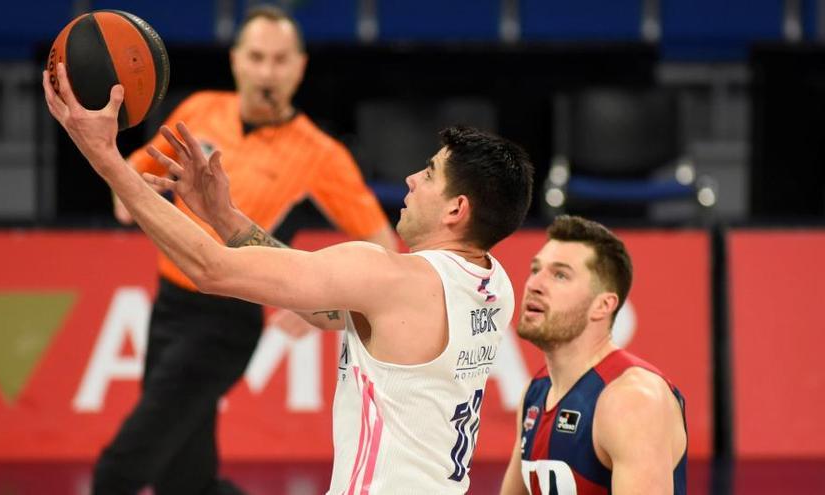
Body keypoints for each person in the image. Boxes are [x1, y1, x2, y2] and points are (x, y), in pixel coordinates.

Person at [43, 47, 535, 491]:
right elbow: (328, 312)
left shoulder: (391, 278)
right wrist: (225, 217)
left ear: (456, 209)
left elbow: (210, 269)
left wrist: (104, 156)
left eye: (428, 175)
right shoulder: (495, 285)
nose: (409, 178)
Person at [97, 5, 396, 494]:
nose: (267, 72)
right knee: (185, 481)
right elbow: (129, 186)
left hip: (227, 321)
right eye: (256, 57)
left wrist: (325, 303)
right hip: (169, 305)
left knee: (124, 465)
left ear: (300, 67)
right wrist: (133, 192)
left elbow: (384, 249)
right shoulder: (200, 110)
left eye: (280, 61)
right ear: (236, 60)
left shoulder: (320, 153)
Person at [499, 215, 688, 495]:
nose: (534, 284)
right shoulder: (535, 392)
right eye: (535, 269)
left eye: (560, 274)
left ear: (602, 306)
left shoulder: (632, 400)